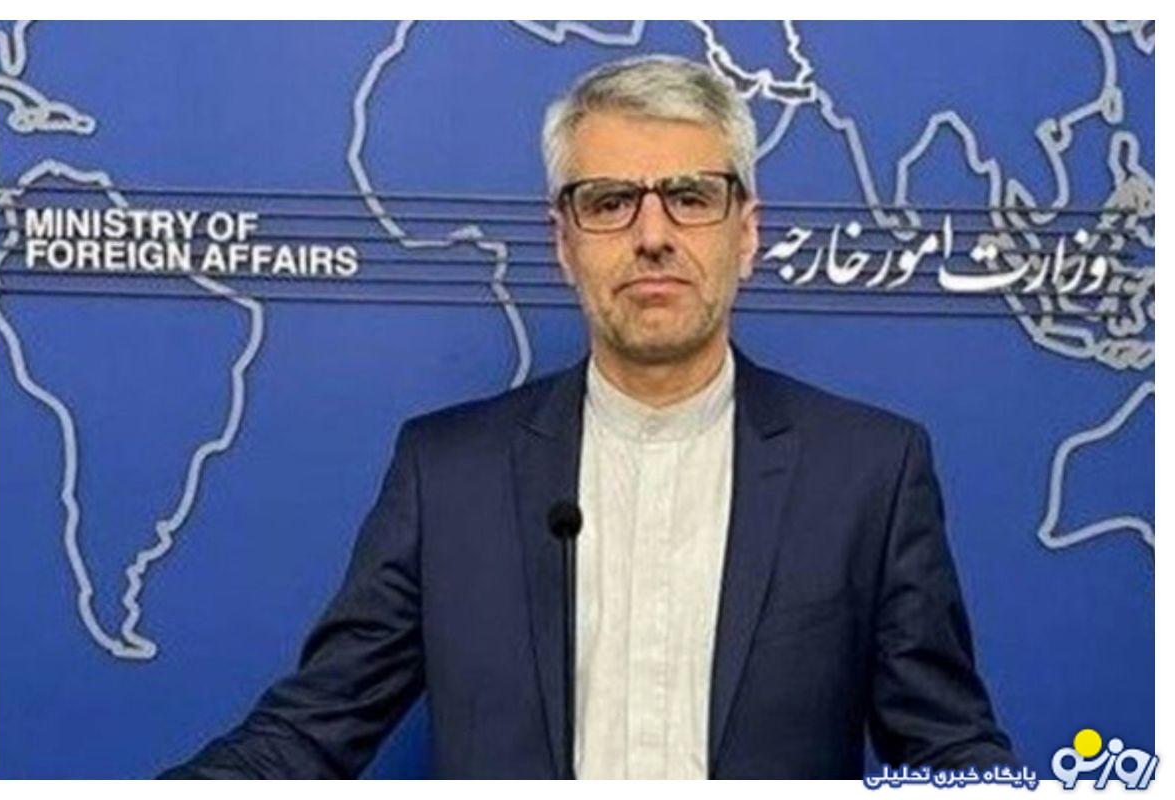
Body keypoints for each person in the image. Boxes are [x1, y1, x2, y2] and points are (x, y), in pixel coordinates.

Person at [160, 54, 1017, 779]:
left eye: (691, 196)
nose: (653, 235)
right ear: (563, 242)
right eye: (609, 202)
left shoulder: (868, 472)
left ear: (746, 234)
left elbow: (949, 753)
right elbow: (307, 736)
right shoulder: (446, 476)